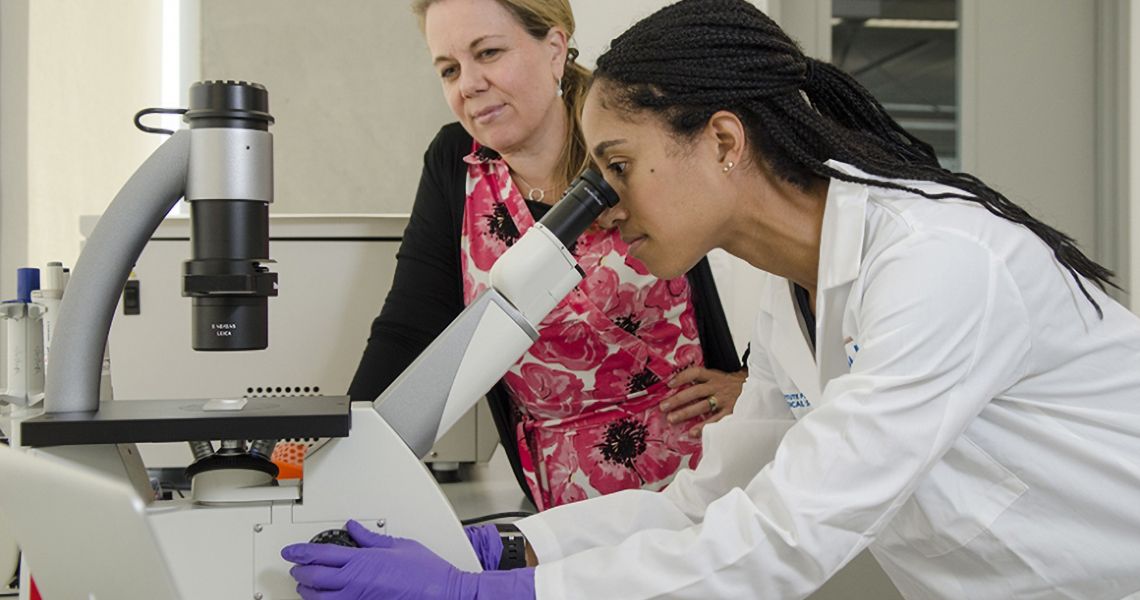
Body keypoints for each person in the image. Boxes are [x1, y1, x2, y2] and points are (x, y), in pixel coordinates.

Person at [286, 0, 1140, 598]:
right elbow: (705, 500)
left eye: (618, 167)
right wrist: (505, 545)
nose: (609, 205)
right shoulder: (793, 300)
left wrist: (490, 596)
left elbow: (781, 537)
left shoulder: (938, 266)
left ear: (723, 142)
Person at [347, 0, 748, 512]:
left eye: (488, 52)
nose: (468, 84)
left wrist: (756, 383)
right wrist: (347, 449)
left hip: (699, 482)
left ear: (554, 48)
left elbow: (761, 235)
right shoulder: (456, 162)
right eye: (449, 69)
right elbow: (409, 330)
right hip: (561, 499)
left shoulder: (636, 142)